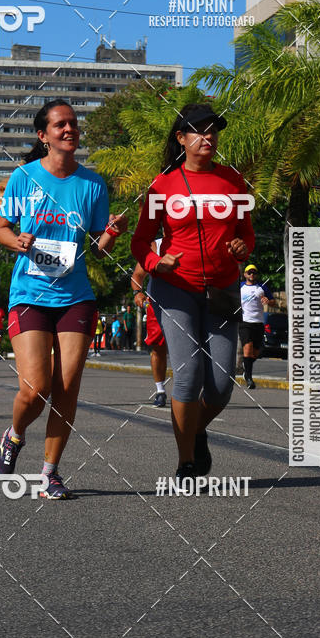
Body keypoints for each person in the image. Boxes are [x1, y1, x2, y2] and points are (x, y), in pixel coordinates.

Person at [0, 98, 127, 499]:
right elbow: (1, 228)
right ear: (43, 135)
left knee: (67, 386)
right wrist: (17, 240)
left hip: (76, 296)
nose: (70, 130)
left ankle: (50, 473)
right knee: (36, 388)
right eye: (60, 125)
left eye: (73, 124)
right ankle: (14, 437)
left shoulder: (92, 184)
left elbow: (99, 248)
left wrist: (113, 232)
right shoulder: (23, 178)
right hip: (30, 294)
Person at [131, 103, 255, 481]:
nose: (208, 137)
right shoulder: (163, 184)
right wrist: (155, 264)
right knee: (188, 375)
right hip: (175, 289)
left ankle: (196, 429)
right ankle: (186, 463)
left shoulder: (233, 180)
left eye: (213, 131)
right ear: (181, 139)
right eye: (198, 131)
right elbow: (139, 242)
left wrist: (241, 248)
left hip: (221, 289)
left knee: (220, 384)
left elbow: (246, 232)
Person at [131, 242, 168, 408]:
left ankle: (192, 390)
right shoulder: (156, 245)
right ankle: (160, 390)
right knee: (158, 348)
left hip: (188, 304)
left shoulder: (195, 240)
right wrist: (137, 292)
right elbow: (138, 274)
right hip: (157, 304)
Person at [239, 264, 275, 389]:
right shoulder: (240, 287)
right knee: (248, 349)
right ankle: (248, 378)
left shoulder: (262, 287)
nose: (252, 275)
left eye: (254, 273)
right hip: (245, 322)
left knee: (256, 353)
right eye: (249, 273)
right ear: (245, 274)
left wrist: (268, 301)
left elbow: (273, 302)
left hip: (258, 323)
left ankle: (246, 364)